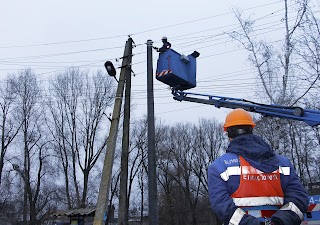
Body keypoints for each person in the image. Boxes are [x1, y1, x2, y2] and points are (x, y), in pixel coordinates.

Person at [207, 108, 308, 225]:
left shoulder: (219, 167)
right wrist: (279, 222)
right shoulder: (283, 163)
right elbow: (299, 199)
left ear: (228, 133)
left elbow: (221, 206)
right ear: (251, 129)